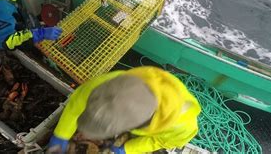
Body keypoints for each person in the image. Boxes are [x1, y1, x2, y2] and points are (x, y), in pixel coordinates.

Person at [47, 66, 201, 154]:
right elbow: (78, 103)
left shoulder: (182, 125)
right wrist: (62, 133)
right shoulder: (109, 84)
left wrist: (128, 149)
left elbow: (159, 140)